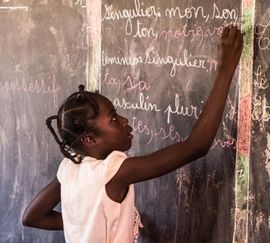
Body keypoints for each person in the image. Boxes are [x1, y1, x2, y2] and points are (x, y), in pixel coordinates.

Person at [22, 24, 243, 242]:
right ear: (90, 139)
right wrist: (225, 70)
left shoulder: (69, 168)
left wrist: (88, 221)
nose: (124, 120)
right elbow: (196, 146)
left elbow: (32, 217)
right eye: (114, 119)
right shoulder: (113, 171)